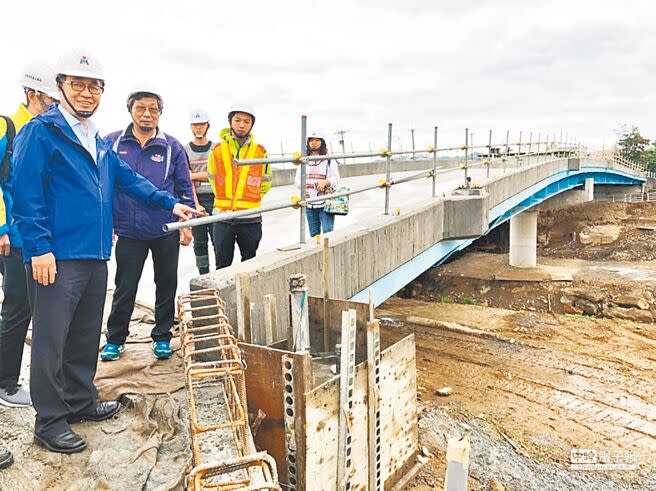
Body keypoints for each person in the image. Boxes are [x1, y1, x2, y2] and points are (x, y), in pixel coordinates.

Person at [11, 51, 196, 454]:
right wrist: (40, 248)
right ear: (59, 87)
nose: (86, 92)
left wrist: (169, 203)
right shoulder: (40, 132)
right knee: (50, 340)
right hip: (56, 257)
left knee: (82, 336)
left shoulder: (95, 136)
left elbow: (126, 178)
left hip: (95, 254)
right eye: (77, 84)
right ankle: (49, 421)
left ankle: (79, 401)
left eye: (94, 86)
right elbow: (25, 195)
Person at [100, 88, 195, 362]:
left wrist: (185, 225)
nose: (147, 114)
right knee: (125, 285)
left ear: (160, 114)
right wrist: (109, 224)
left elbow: (184, 187)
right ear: (130, 110)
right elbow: (103, 186)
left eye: (154, 109)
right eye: (141, 108)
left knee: (166, 283)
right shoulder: (112, 143)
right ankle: (116, 339)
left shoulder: (172, 146)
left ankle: (163, 336)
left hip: (165, 228)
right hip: (128, 230)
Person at [0, 63, 59, 410]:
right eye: (51, 96)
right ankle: (6, 383)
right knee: (17, 308)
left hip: (35, 234)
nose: (55, 102)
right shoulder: (9, 126)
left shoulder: (46, 130)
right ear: (33, 93)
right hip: (13, 235)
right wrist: (2, 228)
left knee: (32, 307)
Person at [207, 105, 271, 268]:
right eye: (237, 120)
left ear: (251, 125)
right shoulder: (217, 150)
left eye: (246, 121)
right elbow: (212, 178)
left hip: (250, 217)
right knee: (222, 265)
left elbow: (266, 181)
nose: (242, 125)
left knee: (249, 264)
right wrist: (224, 200)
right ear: (230, 122)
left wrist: (251, 199)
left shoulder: (260, 151)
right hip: (223, 217)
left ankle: (247, 295)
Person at [185, 109, 216, 274]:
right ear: (191, 126)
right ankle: (203, 276)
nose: (199, 128)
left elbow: (217, 175)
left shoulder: (216, 148)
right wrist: (195, 204)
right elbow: (185, 179)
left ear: (207, 126)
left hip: (217, 198)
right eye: (196, 125)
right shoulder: (185, 150)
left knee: (218, 239)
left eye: (202, 124)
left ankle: (220, 273)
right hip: (196, 200)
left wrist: (195, 176)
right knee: (200, 242)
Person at [295, 132, 340, 238]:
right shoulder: (303, 160)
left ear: (322, 142)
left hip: (326, 203)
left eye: (317, 140)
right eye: (311, 140)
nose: (314, 143)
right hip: (309, 203)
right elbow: (297, 179)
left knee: (328, 234)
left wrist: (325, 182)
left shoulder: (329, 160)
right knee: (314, 236)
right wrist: (302, 186)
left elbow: (336, 179)